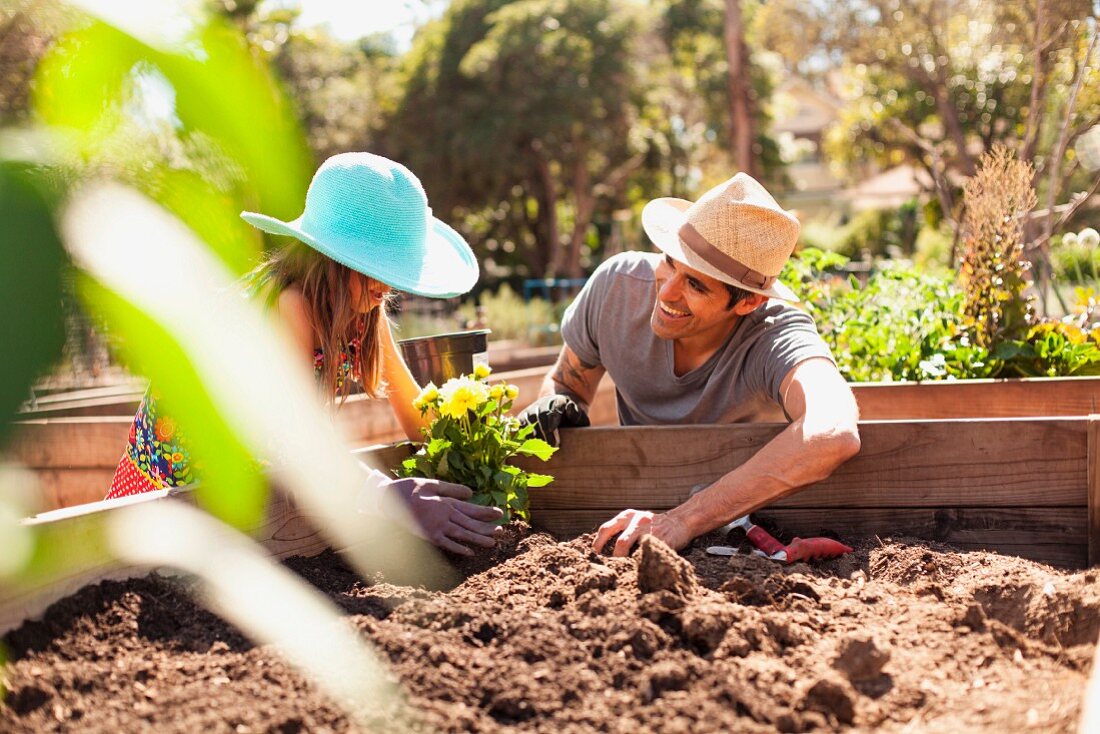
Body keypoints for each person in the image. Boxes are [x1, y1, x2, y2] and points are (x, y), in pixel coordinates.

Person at [105, 152, 504, 556]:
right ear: (333, 258)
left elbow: (416, 413)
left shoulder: (363, 305)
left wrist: (473, 460)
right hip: (174, 497)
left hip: (254, 496)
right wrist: (389, 496)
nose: (388, 286)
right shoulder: (287, 305)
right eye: (379, 270)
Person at [521, 172, 861, 556]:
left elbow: (832, 431)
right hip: (627, 502)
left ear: (748, 302)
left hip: (738, 521)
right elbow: (568, 385)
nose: (666, 292)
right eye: (670, 261)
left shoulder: (775, 335)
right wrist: (555, 402)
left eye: (696, 285)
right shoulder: (615, 288)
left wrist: (683, 519)